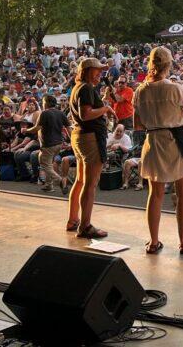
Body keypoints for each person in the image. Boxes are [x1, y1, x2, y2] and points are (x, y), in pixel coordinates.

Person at [133, 46, 183, 255]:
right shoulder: (175, 88)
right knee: (182, 193)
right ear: (169, 64)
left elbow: (137, 124)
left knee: (155, 194)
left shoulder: (140, 90)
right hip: (173, 141)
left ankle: (153, 242)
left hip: (152, 141)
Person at [67, 57, 113, 240]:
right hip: (90, 138)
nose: (100, 74)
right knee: (90, 183)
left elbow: (87, 109)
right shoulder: (86, 88)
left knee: (80, 180)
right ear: (86, 71)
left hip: (80, 136)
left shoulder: (79, 88)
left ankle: (73, 220)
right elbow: (86, 114)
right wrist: (106, 108)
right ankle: (85, 226)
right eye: (97, 70)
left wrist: (103, 101)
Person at [23, 94, 70, 192]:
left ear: (47, 103)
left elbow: (37, 128)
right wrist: (72, 141)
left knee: (45, 165)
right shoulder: (61, 113)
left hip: (48, 144)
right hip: (58, 144)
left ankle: (61, 181)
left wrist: (26, 130)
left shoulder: (44, 113)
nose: (42, 104)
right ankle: (49, 185)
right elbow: (68, 129)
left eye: (43, 102)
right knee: (47, 163)